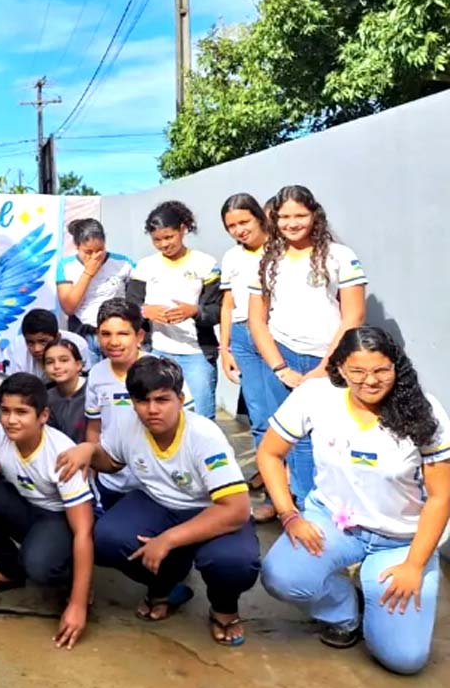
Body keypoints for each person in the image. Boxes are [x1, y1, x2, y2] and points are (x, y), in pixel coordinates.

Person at [259, 327, 449, 674]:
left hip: (401, 540)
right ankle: (344, 612)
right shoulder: (315, 396)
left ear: (397, 366)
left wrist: (414, 565)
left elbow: (440, 497)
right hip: (335, 523)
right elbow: (270, 454)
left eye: (381, 370)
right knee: (282, 576)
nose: (370, 381)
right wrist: (289, 515)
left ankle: (383, 613)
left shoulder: (425, 411)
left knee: (403, 659)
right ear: (339, 369)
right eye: (357, 371)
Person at [59, 355, 260, 647]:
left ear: (180, 399)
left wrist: (167, 539)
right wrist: (89, 450)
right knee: (107, 538)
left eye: (162, 399)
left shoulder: (204, 435)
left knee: (233, 562)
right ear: (132, 402)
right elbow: (112, 461)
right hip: (158, 502)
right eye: (142, 401)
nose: (152, 410)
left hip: (211, 509)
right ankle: (166, 584)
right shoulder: (128, 422)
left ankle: (224, 607)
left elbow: (237, 509)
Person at [0, 374, 94, 649]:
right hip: (26, 507)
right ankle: (10, 570)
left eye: (22, 412)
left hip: (59, 518)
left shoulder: (62, 453)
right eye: (5, 411)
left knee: (39, 566)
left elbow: (84, 531)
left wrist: (78, 604)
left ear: (43, 416)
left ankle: (75, 581)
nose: (11, 420)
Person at [248, 185, 367, 514]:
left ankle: (337, 511)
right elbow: (257, 320)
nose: (292, 223)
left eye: (300, 215)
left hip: (331, 360)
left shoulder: (340, 256)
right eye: (284, 217)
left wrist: (325, 367)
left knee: (332, 437)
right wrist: (279, 368)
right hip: (281, 358)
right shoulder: (268, 261)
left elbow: (354, 315)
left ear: (315, 214)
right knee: (291, 439)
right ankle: (302, 509)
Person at [84, 298, 194, 509]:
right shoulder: (97, 374)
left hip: (154, 484)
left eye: (123, 334)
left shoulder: (162, 372)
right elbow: (94, 427)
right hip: (112, 481)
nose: (113, 342)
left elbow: (186, 425)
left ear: (139, 336)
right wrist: (93, 470)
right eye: (105, 334)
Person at [126, 201, 221, 419]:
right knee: (158, 414)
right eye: (157, 240)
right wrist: (145, 311)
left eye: (169, 237)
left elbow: (217, 310)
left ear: (183, 229)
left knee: (201, 416)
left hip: (196, 354)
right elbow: (130, 307)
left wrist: (195, 311)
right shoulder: (145, 267)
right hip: (156, 352)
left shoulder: (205, 264)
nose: (164, 244)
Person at [216, 194, 274, 522]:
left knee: (287, 417)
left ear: (259, 217)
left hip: (275, 335)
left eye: (244, 222)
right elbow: (227, 305)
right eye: (231, 226)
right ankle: (274, 493)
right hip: (241, 338)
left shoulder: (279, 250)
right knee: (260, 417)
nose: (239, 230)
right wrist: (225, 349)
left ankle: (298, 494)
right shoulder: (231, 257)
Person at [56, 218, 133, 358]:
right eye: (88, 252)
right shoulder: (67, 266)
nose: (95, 256)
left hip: (115, 334)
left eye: (99, 250)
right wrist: (88, 273)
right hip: (84, 333)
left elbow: (138, 295)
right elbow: (69, 307)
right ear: (77, 246)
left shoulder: (123, 263)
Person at [4, 309, 93, 376]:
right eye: (30, 343)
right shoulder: (16, 348)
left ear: (57, 337)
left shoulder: (78, 345)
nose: (36, 349)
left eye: (43, 342)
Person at [43, 338, 87, 443]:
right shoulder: (46, 398)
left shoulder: (94, 391)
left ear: (78, 365)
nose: (57, 366)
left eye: (64, 360)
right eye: (50, 362)